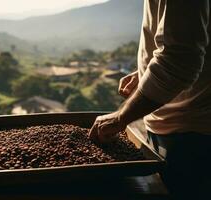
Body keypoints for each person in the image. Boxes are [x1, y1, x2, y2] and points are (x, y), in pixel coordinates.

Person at [89, 0, 211, 198]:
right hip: (172, 126)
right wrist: (144, 72)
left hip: (193, 135)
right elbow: (193, 38)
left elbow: (180, 59)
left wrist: (121, 117)